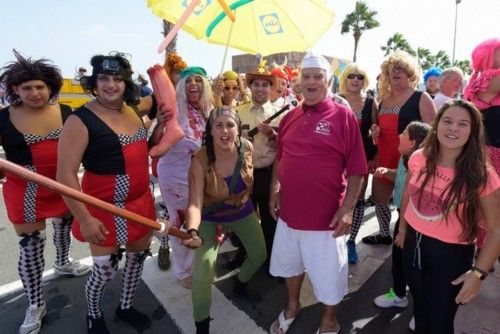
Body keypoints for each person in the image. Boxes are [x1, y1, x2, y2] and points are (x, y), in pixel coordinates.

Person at [57, 53, 156, 333]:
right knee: (103, 271)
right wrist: (85, 219)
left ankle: (125, 307)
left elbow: (163, 103)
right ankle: (93, 314)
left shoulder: (135, 110)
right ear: (94, 81)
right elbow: (64, 176)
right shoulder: (79, 120)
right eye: (103, 78)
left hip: (141, 204)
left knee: (136, 262)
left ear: (126, 83)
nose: (110, 85)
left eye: (117, 79)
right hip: (102, 209)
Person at [268, 51, 367, 334]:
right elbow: (280, 157)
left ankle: (329, 319)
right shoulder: (289, 117)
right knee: (290, 266)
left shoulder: (343, 116)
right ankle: (292, 305)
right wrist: (275, 187)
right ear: (299, 81)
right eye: (306, 77)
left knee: (329, 276)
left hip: (326, 219)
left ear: (328, 82)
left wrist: (347, 209)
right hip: (288, 215)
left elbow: (359, 168)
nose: (311, 82)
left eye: (317, 78)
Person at [0, 52, 90, 334]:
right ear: (15, 89)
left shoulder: (67, 113)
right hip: (24, 190)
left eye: (40, 87)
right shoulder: (2, 117)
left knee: (64, 226)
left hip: (63, 184)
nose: (35, 93)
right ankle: (35, 303)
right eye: (27, 88)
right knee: (30, 249)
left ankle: (63, 262)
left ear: (50, 87)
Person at [395, 99, 500, 333]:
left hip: (451, 256)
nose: (453, 128)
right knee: (420, 313)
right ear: (437, 124)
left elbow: (496, 229)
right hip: (413, 244)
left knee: (441, 322)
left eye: (463, 124)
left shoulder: (482, 174)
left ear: (473, 131)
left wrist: (478, 273)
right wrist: (402, 228)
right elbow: (407, 193)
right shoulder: (419, 157)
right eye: (448, 121)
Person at [181, 106, 267, 334]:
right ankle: (201, 326)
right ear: (210, 130)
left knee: (259, 254)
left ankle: (241, 283)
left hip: (243, 211)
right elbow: (195, 203)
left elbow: (251, 183)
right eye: (218, 125)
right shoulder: (199, 160)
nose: (225, 130)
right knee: (202, 276)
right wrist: (192, 230)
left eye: (230, 124)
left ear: (238, 128)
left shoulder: (247, 147)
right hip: (210, 218)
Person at [150, 66, 213, 289]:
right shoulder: (173, 109)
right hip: (175, 177)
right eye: (188, 81)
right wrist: (160, 124)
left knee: (196, 222)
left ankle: (194, 263)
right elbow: (155, 145)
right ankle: (183, 271)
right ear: (181, 86)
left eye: (198, 80)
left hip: (199, 176)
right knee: (181, 223)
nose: (193, 84)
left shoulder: (210, 110)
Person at [366, 51, 436, 245]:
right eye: (392, 70)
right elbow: (383, 130)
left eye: (401, 69)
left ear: (409, 73)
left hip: (409, 162)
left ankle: (404, 235)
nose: (396, 72)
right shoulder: (384, 100)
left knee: (404, 201)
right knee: (379, 199)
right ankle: (383, 233)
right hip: (384, 156)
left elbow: (433, 132)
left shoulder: (421, 97)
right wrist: (375, 131)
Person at [372, 121, 431, 331]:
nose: (399, 134)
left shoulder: (423, 165)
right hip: (402, 218)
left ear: (413, 142)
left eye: (404, 132)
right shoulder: (405, 158)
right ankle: (399, 295)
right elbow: (400, 177)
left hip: (414, 223)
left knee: (415, 266)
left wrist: (405, 229)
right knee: (399, 260)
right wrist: (386, 171)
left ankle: (420, 311)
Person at [235, 61, 278, 269]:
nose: (260, 88)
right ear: (250, 87)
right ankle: (243, 256)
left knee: (270, 219)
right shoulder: (237, 112)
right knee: (243, 218)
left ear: (271, 88)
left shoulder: (282, 113)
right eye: (256, 84)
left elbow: (286, 147)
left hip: (269, 174)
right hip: (243, 173)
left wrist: (273, 135)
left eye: (265, 84)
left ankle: (271, 260)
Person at [463, 38, 500, 265]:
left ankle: (480, 253)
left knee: (479, 207)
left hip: (481, 151)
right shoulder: (493, 79)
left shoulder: (478, 82)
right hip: (492, 154)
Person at [338, 63, 378, 263]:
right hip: (336, 159)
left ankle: (351, 240)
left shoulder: (370, 102)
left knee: (357, 200)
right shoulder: (337, 100)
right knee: (336, 197)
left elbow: (375, 133)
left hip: (360, 159)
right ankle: (334, 238)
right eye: (351, 76)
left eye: (360, 76)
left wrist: (374, 157)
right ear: (345, 79)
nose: (355, 80)